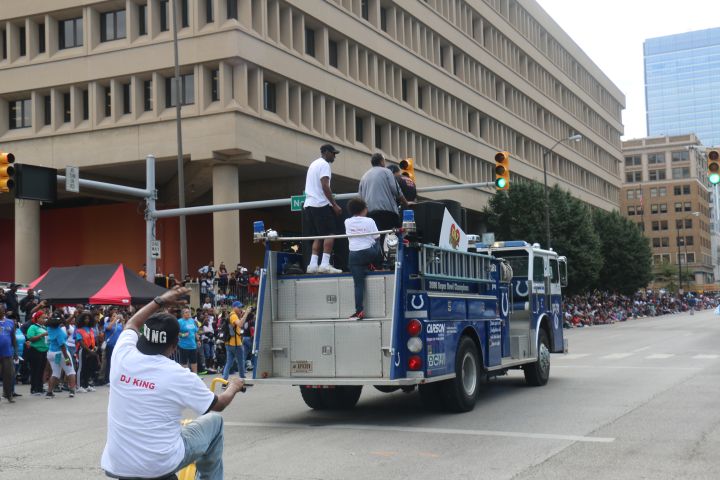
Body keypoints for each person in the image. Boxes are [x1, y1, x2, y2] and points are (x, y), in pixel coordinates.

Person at [101, 286, 245, 479]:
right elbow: (218, 404)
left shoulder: (122, 354)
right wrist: (234, 386)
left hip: (118, 464)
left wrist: (160, 301)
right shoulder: (179, 375)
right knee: (215, 422)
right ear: (174, 344)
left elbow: (132, 323)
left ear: (144, 336)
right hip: (159, 464)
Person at [303, 143, 343, 274]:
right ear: (326, 152)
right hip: (320, 204)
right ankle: (325, 264)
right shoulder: (324, 165)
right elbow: (325, 185)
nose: (334, 157)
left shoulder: (313, 164)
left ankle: (312, 265)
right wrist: (334, 204)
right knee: (330, 233)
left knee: (318, 235)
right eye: (333, 153)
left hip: (308, 204)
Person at [344, 198, 382, 321]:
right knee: (377, 240)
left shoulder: (347, 222)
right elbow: (377, 237)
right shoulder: (369, 220)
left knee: (358, 285)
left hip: (353, 255)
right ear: (364, 209)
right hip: (368, 253)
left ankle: (359, 311)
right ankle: (375, 265)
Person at [359, 153, 409, 233]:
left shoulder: (364, 176)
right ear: (381, 161)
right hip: (387, 212)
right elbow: (397, 191)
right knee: (392, 239)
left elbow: (360, 197)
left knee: (376, 238)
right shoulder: (387, 172)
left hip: (370, 214)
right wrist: (406, 203)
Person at [45, 312, 77, 399]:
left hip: (51, 353)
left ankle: (49, 393)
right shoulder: (59, 332)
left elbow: (64, 322)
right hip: (61, 353)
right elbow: (62, 346)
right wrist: (67, 359)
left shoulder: (49, 328)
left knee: (55, 373)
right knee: (71, 371)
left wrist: (70, 317)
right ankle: (72, 391)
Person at [222, 301, 251, 381]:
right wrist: (246, 313)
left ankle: (224, 380)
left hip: (229, 343)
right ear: (234, 307)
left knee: (229, 363)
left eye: (241, 307)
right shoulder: (233, 315)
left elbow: (236, 324)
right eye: (238, 307)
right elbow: (240, 324)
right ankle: (242, 379)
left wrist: (242, 315)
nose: (240, 309)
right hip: (236, 344)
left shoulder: (232, 315)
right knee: (241, 362)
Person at [26, 310, 49, 395]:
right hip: (35, 350)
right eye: (43, 318)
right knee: (35, 370)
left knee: (41, 370)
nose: (44, 320)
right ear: (37, 318)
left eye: (45, 318)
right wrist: (42, 335)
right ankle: (34, 389)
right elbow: (30, 338)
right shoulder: (33, 327)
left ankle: (40, 388)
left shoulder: (44, 327)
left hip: (44, 351)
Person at [0, 307, 18, 403]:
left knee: (9, 375)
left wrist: (15, 351)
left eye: (2, 310)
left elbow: (13, 338)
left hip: (7, 353)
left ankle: (8, 394)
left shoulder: (10, 322)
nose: (1, 312)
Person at [103, 311, 124, 384]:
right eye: (113, 316)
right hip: (110, 346)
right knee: (109, 363)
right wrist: (115, 319)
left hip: (118, 346)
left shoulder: (119, 325)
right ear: (110, 317)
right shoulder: (107, 324)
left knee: (117, 363)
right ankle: (107, 379)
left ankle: (114, 378)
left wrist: (122, 320)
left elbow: (124, 330)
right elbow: (108, 328)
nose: (115, 317)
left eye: (116, 316)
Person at [177, 307, 199, 373]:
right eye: (186, 312)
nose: (188, 313)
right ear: (183, 314)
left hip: (193, 345)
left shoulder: (192, 320)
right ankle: (187, 375)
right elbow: (176, 332)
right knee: (184, 362)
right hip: (183, 346)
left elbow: (195, 332)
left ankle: (195, 375)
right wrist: (183, 335)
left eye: (189, 312)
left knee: (194, 361)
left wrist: (198, 340)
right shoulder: (179, 322)